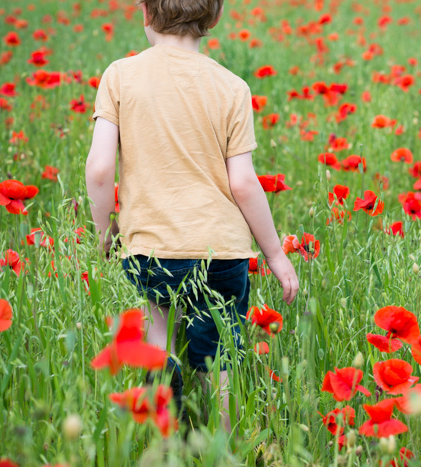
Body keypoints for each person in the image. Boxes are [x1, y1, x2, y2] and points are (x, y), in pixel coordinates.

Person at [84, 0, 299, 432]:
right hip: (220, 249)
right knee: (219, 348)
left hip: (149, 245)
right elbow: (242, 183)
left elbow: (100, 168)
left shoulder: (119, 76)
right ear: (215, 18)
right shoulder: (232, 87)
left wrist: (106, 232)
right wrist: (274, 253)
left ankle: (162, 417)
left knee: (159, 319)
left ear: (145, 13)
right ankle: (225, 438)